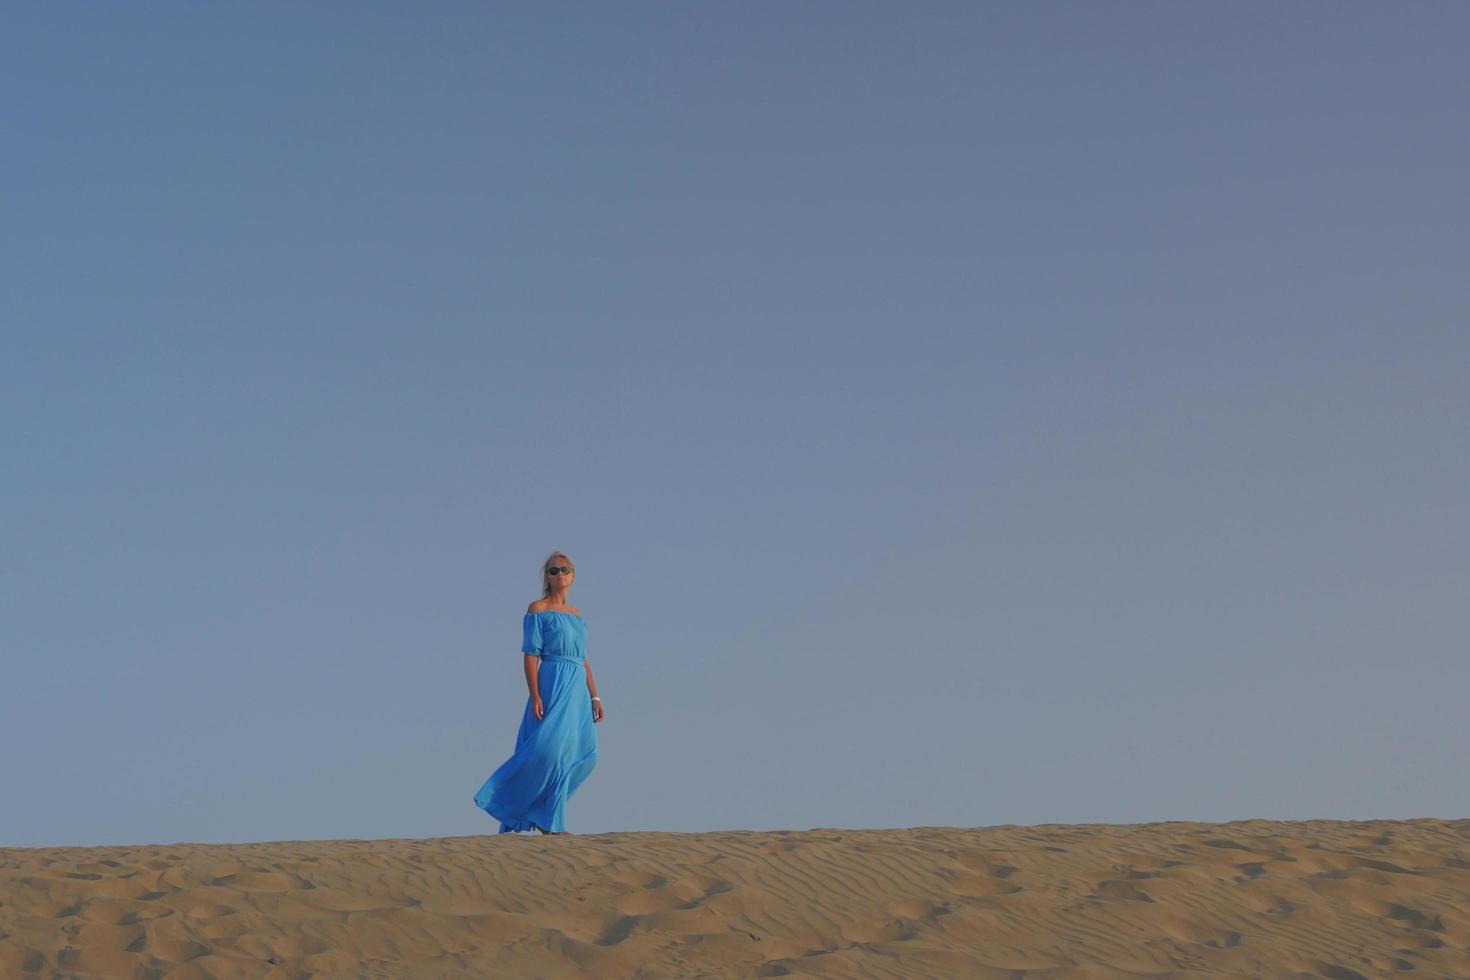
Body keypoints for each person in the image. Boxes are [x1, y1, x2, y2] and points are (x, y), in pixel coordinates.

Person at [473, 551, 603, 835]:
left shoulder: (578, 616)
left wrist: (595, 696)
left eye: (564, 570)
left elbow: (583, 660)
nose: (559, 575)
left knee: (584, 753)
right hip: (552, 679)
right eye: (553, 570)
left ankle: (546, 814)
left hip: (577, 686)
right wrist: (535, 695)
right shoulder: (537, 609)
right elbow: (531, 655)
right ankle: (518, 805)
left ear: (573, 574)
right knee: (549, 750)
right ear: (547, 576)